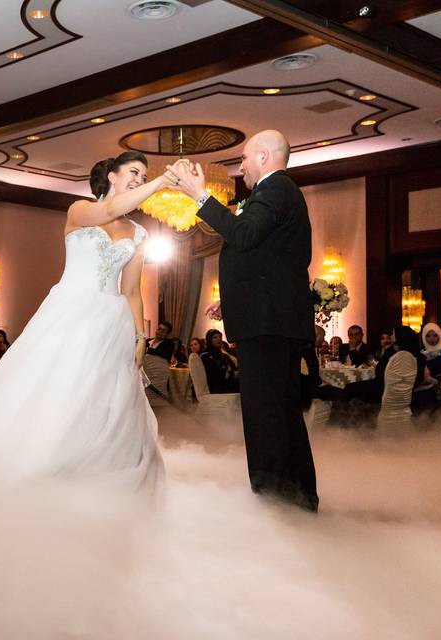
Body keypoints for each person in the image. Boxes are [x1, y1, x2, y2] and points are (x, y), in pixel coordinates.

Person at [0, 150, 171, 492]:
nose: (139, 178)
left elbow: (133, 291)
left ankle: (95, 470)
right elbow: (109, 210)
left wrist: (140, 337)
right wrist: (161, 183)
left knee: (103, 397)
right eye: (135, 172)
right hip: (70, 311)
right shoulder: (80, 210)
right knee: (57, 385)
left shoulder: (139, 234)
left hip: (111, 322)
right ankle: (37, 463)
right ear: (113, 176)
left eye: (143, 175)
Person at [166, 130, 318, 512]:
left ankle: (273, 501)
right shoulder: (278, 193)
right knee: (280, 410)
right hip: (269, 317)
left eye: (246, 159)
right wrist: (231, 301)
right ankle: (296, 497)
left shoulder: (275, 190)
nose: (241, 166)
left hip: (268, 324)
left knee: (265, 412)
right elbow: (262, 257)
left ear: (265, 157)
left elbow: (244, 235)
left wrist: (201, 196)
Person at [201, 329, 240, 394]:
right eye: (215, 337)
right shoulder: (205, 356)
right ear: (209, 340)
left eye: (220, 337)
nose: (218, 339)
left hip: (230, 383)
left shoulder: (224, 355)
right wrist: (231, 374)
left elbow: (234, 369)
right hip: (217, 387)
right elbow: (213, 375)